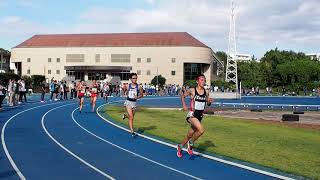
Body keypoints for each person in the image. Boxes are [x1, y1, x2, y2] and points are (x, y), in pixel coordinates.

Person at [176, 74, 213, 158]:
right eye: (201, 80)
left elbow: (207, 103)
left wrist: (210, 102)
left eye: (204, 80)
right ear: (197, 81)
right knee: (201, 130)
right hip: (192, 115)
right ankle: (191, 143)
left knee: (190, 134)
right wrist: (184, 105)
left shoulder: (206, 91)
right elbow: (183, 96)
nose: (203, 82)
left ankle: (180, 146)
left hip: (200, 116)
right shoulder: (192, 90)